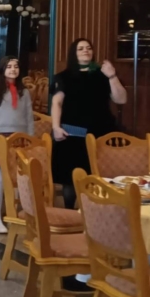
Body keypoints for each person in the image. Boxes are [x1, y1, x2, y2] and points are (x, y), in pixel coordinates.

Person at [51, 38, 128, 209]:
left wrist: (112, 76)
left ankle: (99, 213)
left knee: (101, 176)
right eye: (80, 48)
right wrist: (55, 127)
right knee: (71, 179)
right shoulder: (64, 77)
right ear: (74, 53)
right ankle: (71, 214)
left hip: (102, 132)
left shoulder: (103, 74)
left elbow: (121, 99)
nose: (85, 50)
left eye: (88, 48)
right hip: (73, 133)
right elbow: (57, 103)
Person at [0, 56, 34, 234]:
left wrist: (30, 141)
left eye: (16, 66)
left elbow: (29, 119)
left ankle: (14, 215)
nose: (13, 69)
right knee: (1, 178)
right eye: (9, 66)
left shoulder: (24, 93)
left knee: (19, 179)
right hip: (0, 138)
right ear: (2, 70)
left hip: (20, 138)